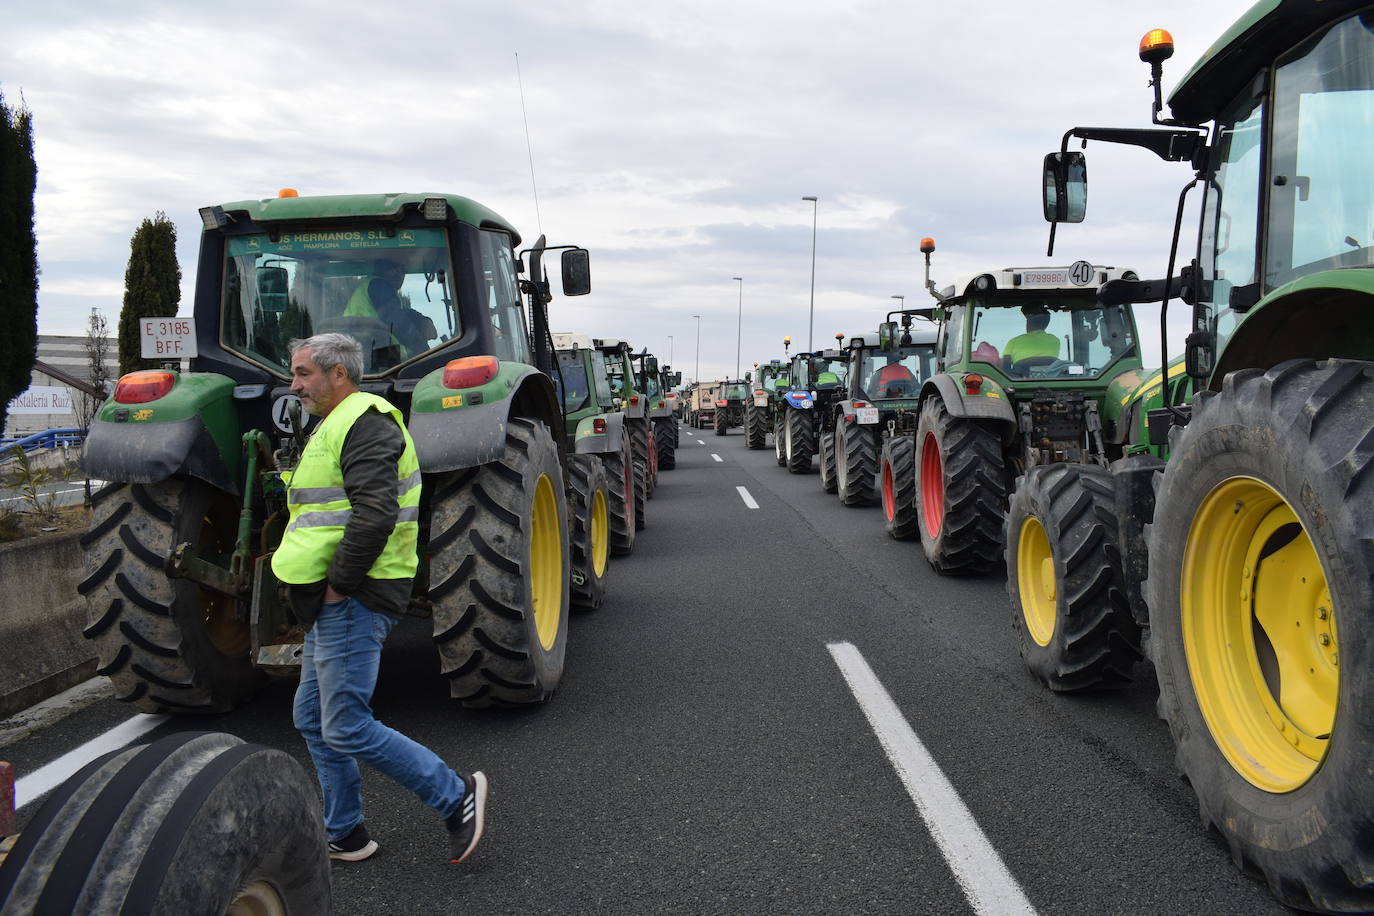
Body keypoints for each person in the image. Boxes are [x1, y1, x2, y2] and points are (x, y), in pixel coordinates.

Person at [273, 332, 487, 865]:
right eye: (295, 373)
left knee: (344, 722)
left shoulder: (366, 422)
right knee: (312, 716)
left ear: (337, 373)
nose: (293, 384)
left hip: (355, 593)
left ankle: (455, 795)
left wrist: (339, 585)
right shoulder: (333, 424)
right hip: (335, 596)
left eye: (303, 373)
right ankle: (344, 831)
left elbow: (375, 513)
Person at [343, 260, 437, 356]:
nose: (399, 274)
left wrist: (422, 320)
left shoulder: (372, 289)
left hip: (364, 350)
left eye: (403, 270)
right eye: (392, 268)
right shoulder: (378, 285)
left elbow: (402, 313)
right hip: (373, 353)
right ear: (379, 269)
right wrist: (425, 351)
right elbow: (396, 321)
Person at [1002, 307, 1060, 371]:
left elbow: (1005, 367)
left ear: (1028, 324)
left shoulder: (1014, 341)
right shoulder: (1055, 340)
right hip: (1051, 379)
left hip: (1020, 380)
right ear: (1046, 325)